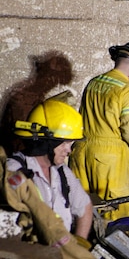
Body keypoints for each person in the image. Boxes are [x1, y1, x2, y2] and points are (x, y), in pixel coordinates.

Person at [70, 41, 129, 221]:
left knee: (82, 211)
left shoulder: (93, 83)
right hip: (110, 160)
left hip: (80, 152)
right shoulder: (127, 91)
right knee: (116, 213)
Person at [10, 99, 94, 239]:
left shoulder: (62, 172)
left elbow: (85, 207)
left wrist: (79, 246)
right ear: (46, 143)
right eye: (64, 144)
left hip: (61, 253)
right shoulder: (14, 171)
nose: (69, 150)